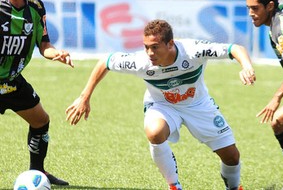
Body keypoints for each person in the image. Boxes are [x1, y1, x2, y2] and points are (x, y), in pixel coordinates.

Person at [66, 19, 255, 189]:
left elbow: (235, 49)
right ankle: (174, 185)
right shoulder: (141, 62)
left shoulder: (193, 51)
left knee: (232, 157)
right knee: (154, 132)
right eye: (146, 47)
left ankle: (234, 187)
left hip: (198, 105)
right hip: (162, 105)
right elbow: (105, 62)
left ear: (170, 43)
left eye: (155, 47)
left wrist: (246, 66)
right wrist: (84, 96)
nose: (149, 53)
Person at [0, 0, 73, 186]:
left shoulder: (36, 7)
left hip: (12, 81)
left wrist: (56, 54)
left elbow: (44, 45)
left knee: (41, 121)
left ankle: (38, 172)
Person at [246, 0, 283, 190]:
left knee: (279, 121)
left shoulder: (280, 26)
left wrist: (276, 97)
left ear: (269, 6)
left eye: (255, 8)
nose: (251, 13)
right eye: (248, 7)